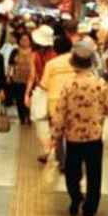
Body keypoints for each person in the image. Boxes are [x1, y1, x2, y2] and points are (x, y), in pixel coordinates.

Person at [53, 39, 108, 216]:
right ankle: (90, 208)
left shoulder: (68, 85)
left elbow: (60, 112)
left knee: (72, 172)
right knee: (94, 173)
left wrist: (55, 135)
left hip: (73, 138)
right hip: (94, 137)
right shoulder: (100, 84)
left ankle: (75, 198)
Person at [37, 30, 75, 166]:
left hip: (55, 101)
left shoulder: (51, 64)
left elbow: (44, 85)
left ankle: (61, 160)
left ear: (55, 48)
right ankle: (71, 159)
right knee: (71, 130)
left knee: (57, 131)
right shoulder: (76, 62)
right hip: (73, 99)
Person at [7, 30, 39, 129]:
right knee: (19, 100)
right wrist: (8, 76)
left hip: (31, 79)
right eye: (22, 39)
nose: (24, 41)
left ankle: (29, 116)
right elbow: (10, 64)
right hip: (18, 79)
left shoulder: (34, 52)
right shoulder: (15, 51)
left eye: (26, 39)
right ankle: (22, 118)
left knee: (30, 98)